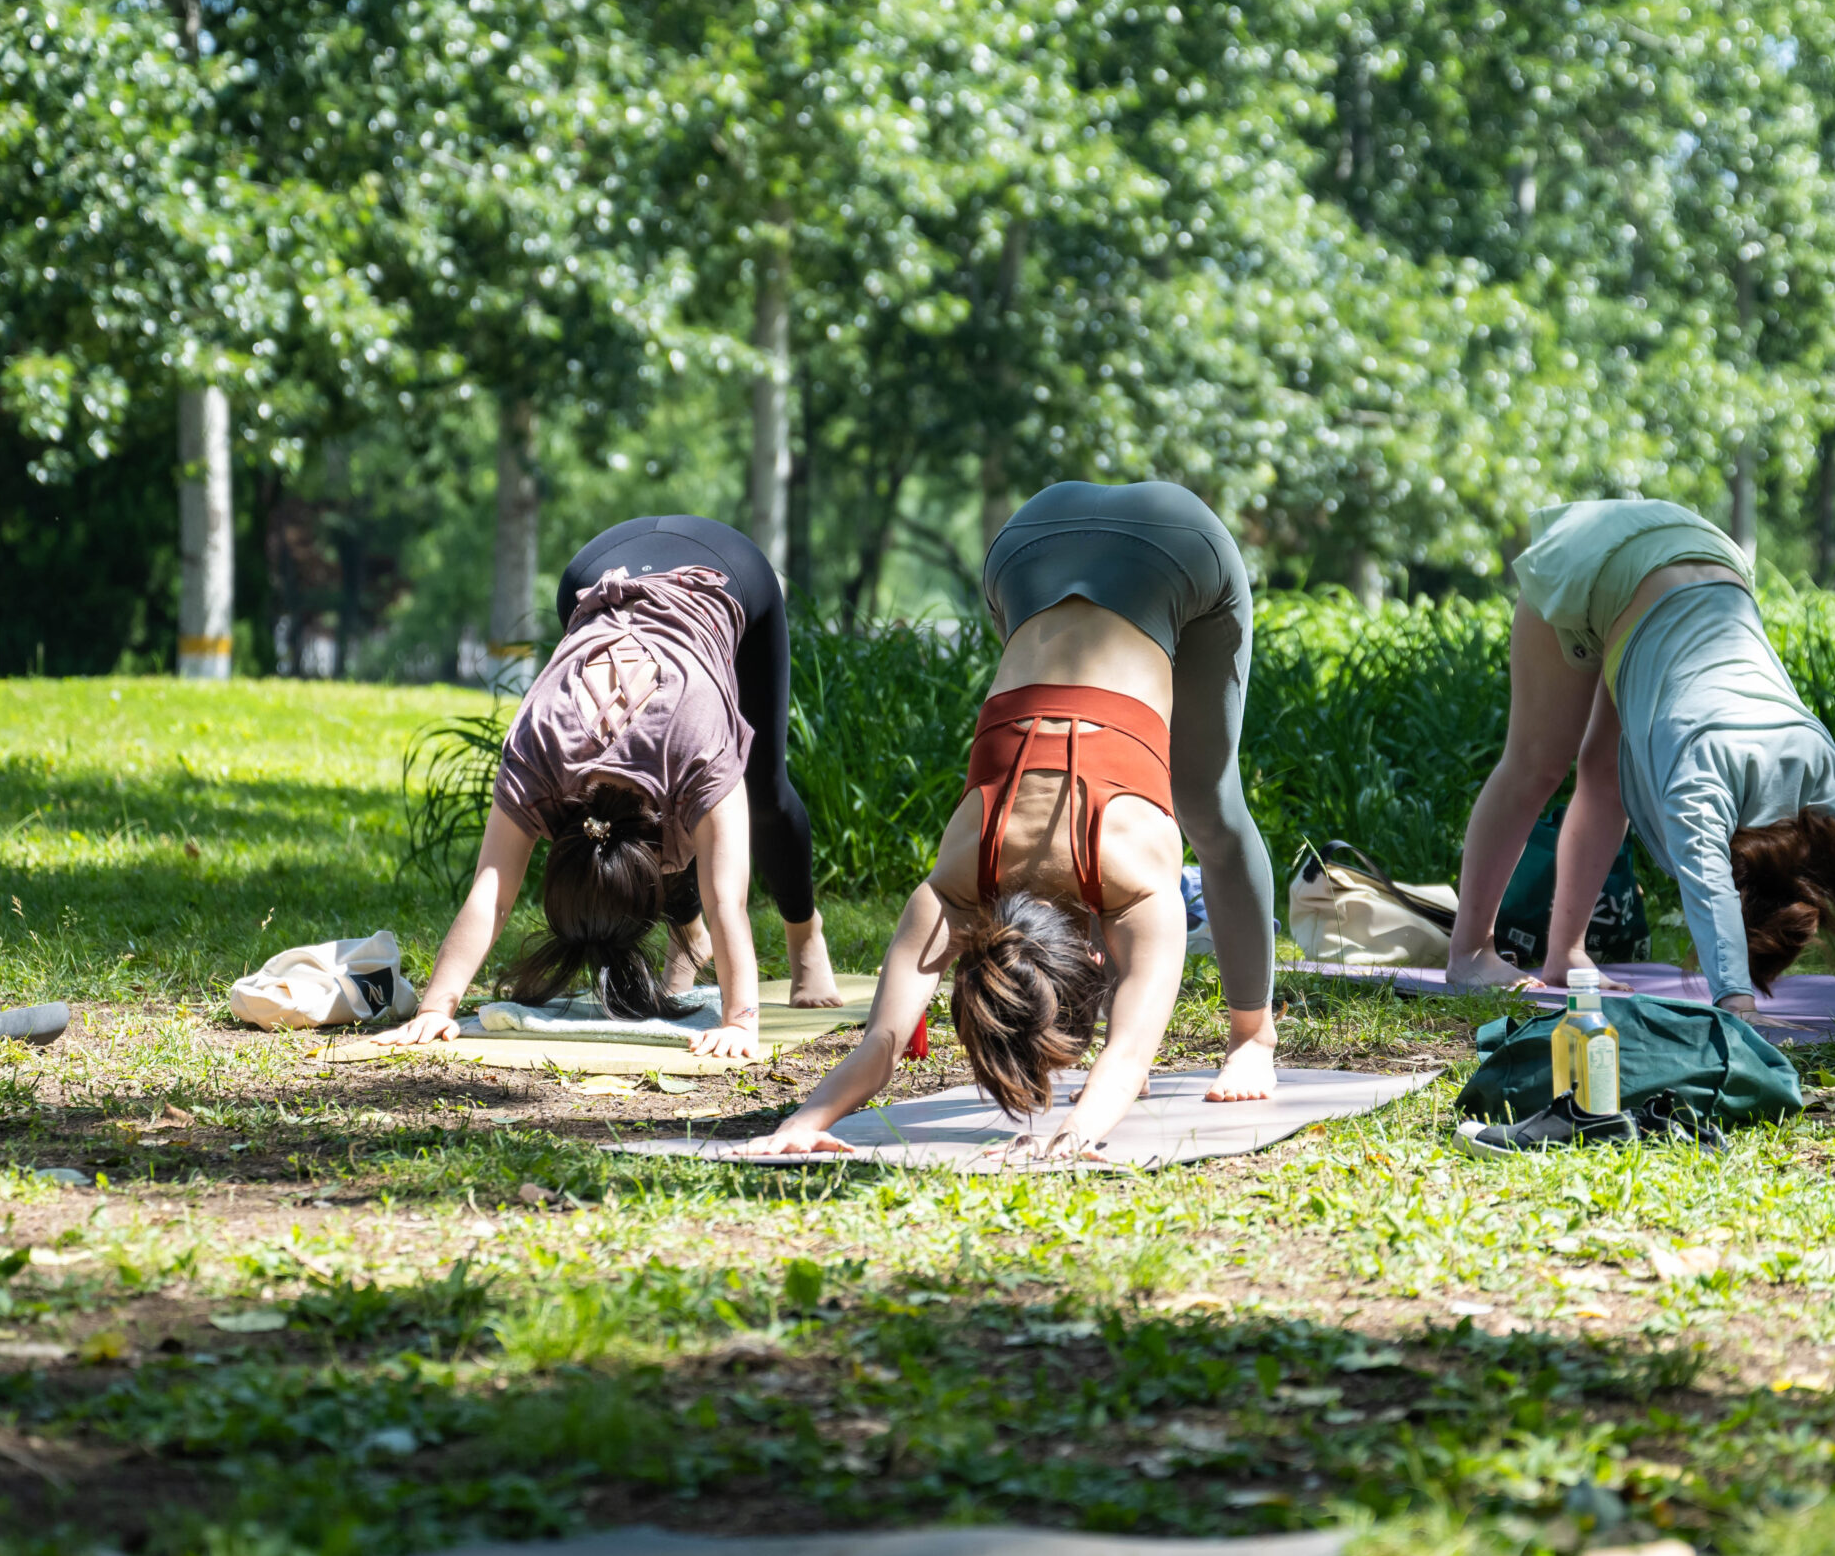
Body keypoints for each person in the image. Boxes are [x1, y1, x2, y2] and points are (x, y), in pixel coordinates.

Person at [738, 479, 1281, 1162]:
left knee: (1207, 798)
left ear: (1093, 956)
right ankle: (1250, 1036)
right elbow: (878, 1047)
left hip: (1155, 545)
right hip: (1031, 535)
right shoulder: (957, 885)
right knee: (1206, 804)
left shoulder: (1142, 886)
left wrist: (1073, 1134)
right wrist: (798, 1124)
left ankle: (1253, 1039)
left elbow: (1127, 1059)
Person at [1441, 498, 1835, 1036]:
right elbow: (1708, 884)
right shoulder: (1699, 775)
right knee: (1536, 765)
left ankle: (1565, 953)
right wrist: (1735, 1004)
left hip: (1699, 549)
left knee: (1604, 774)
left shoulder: (1818, 764)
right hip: (1597, 559)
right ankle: (1470, 954)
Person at [373, 516, 842, 1056]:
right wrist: (436, 1007)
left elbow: (727, 900)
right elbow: (491, 893)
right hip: (595, 567)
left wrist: (740, 1021)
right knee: (675, 820)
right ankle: (687, 937)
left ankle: (806, 935)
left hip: (724, 565)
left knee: (765, 791)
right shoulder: (537, 745)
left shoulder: (697, 746)